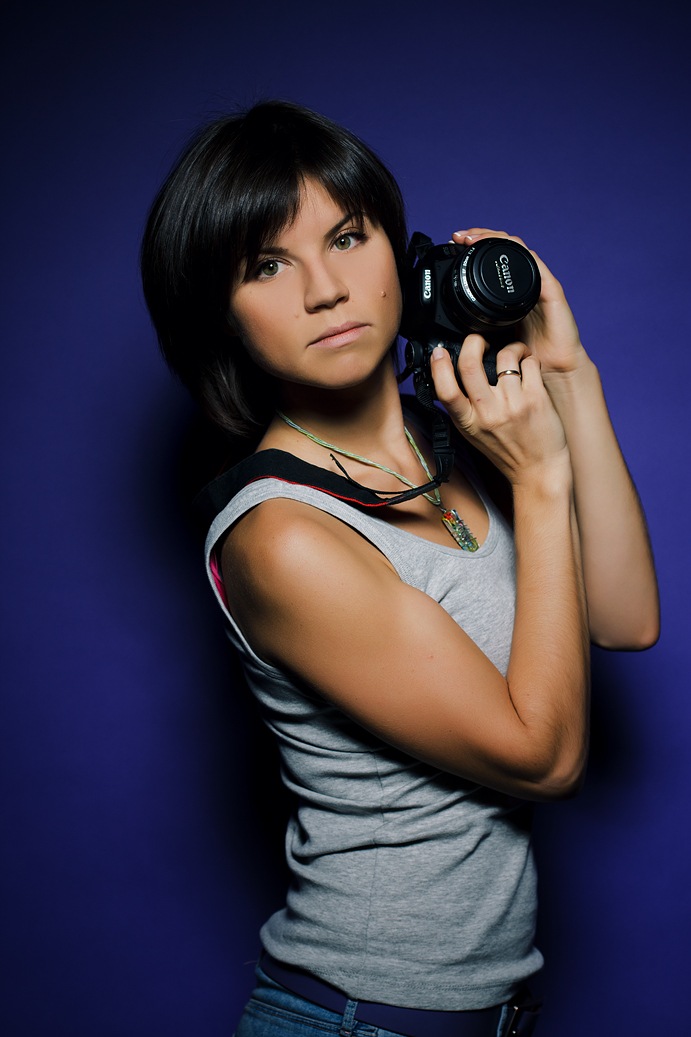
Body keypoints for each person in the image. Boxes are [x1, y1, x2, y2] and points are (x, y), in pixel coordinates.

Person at [140, 100, 659, 1037]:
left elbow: (624, 619)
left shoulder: (450, 441)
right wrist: (540, 482)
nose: (326, 289)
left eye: (346, 237)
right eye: (267, 264)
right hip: (358, 1016)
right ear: (222, 313)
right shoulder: (281, 534)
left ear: (400, 253)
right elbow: (544, 759)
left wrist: (567, 372)